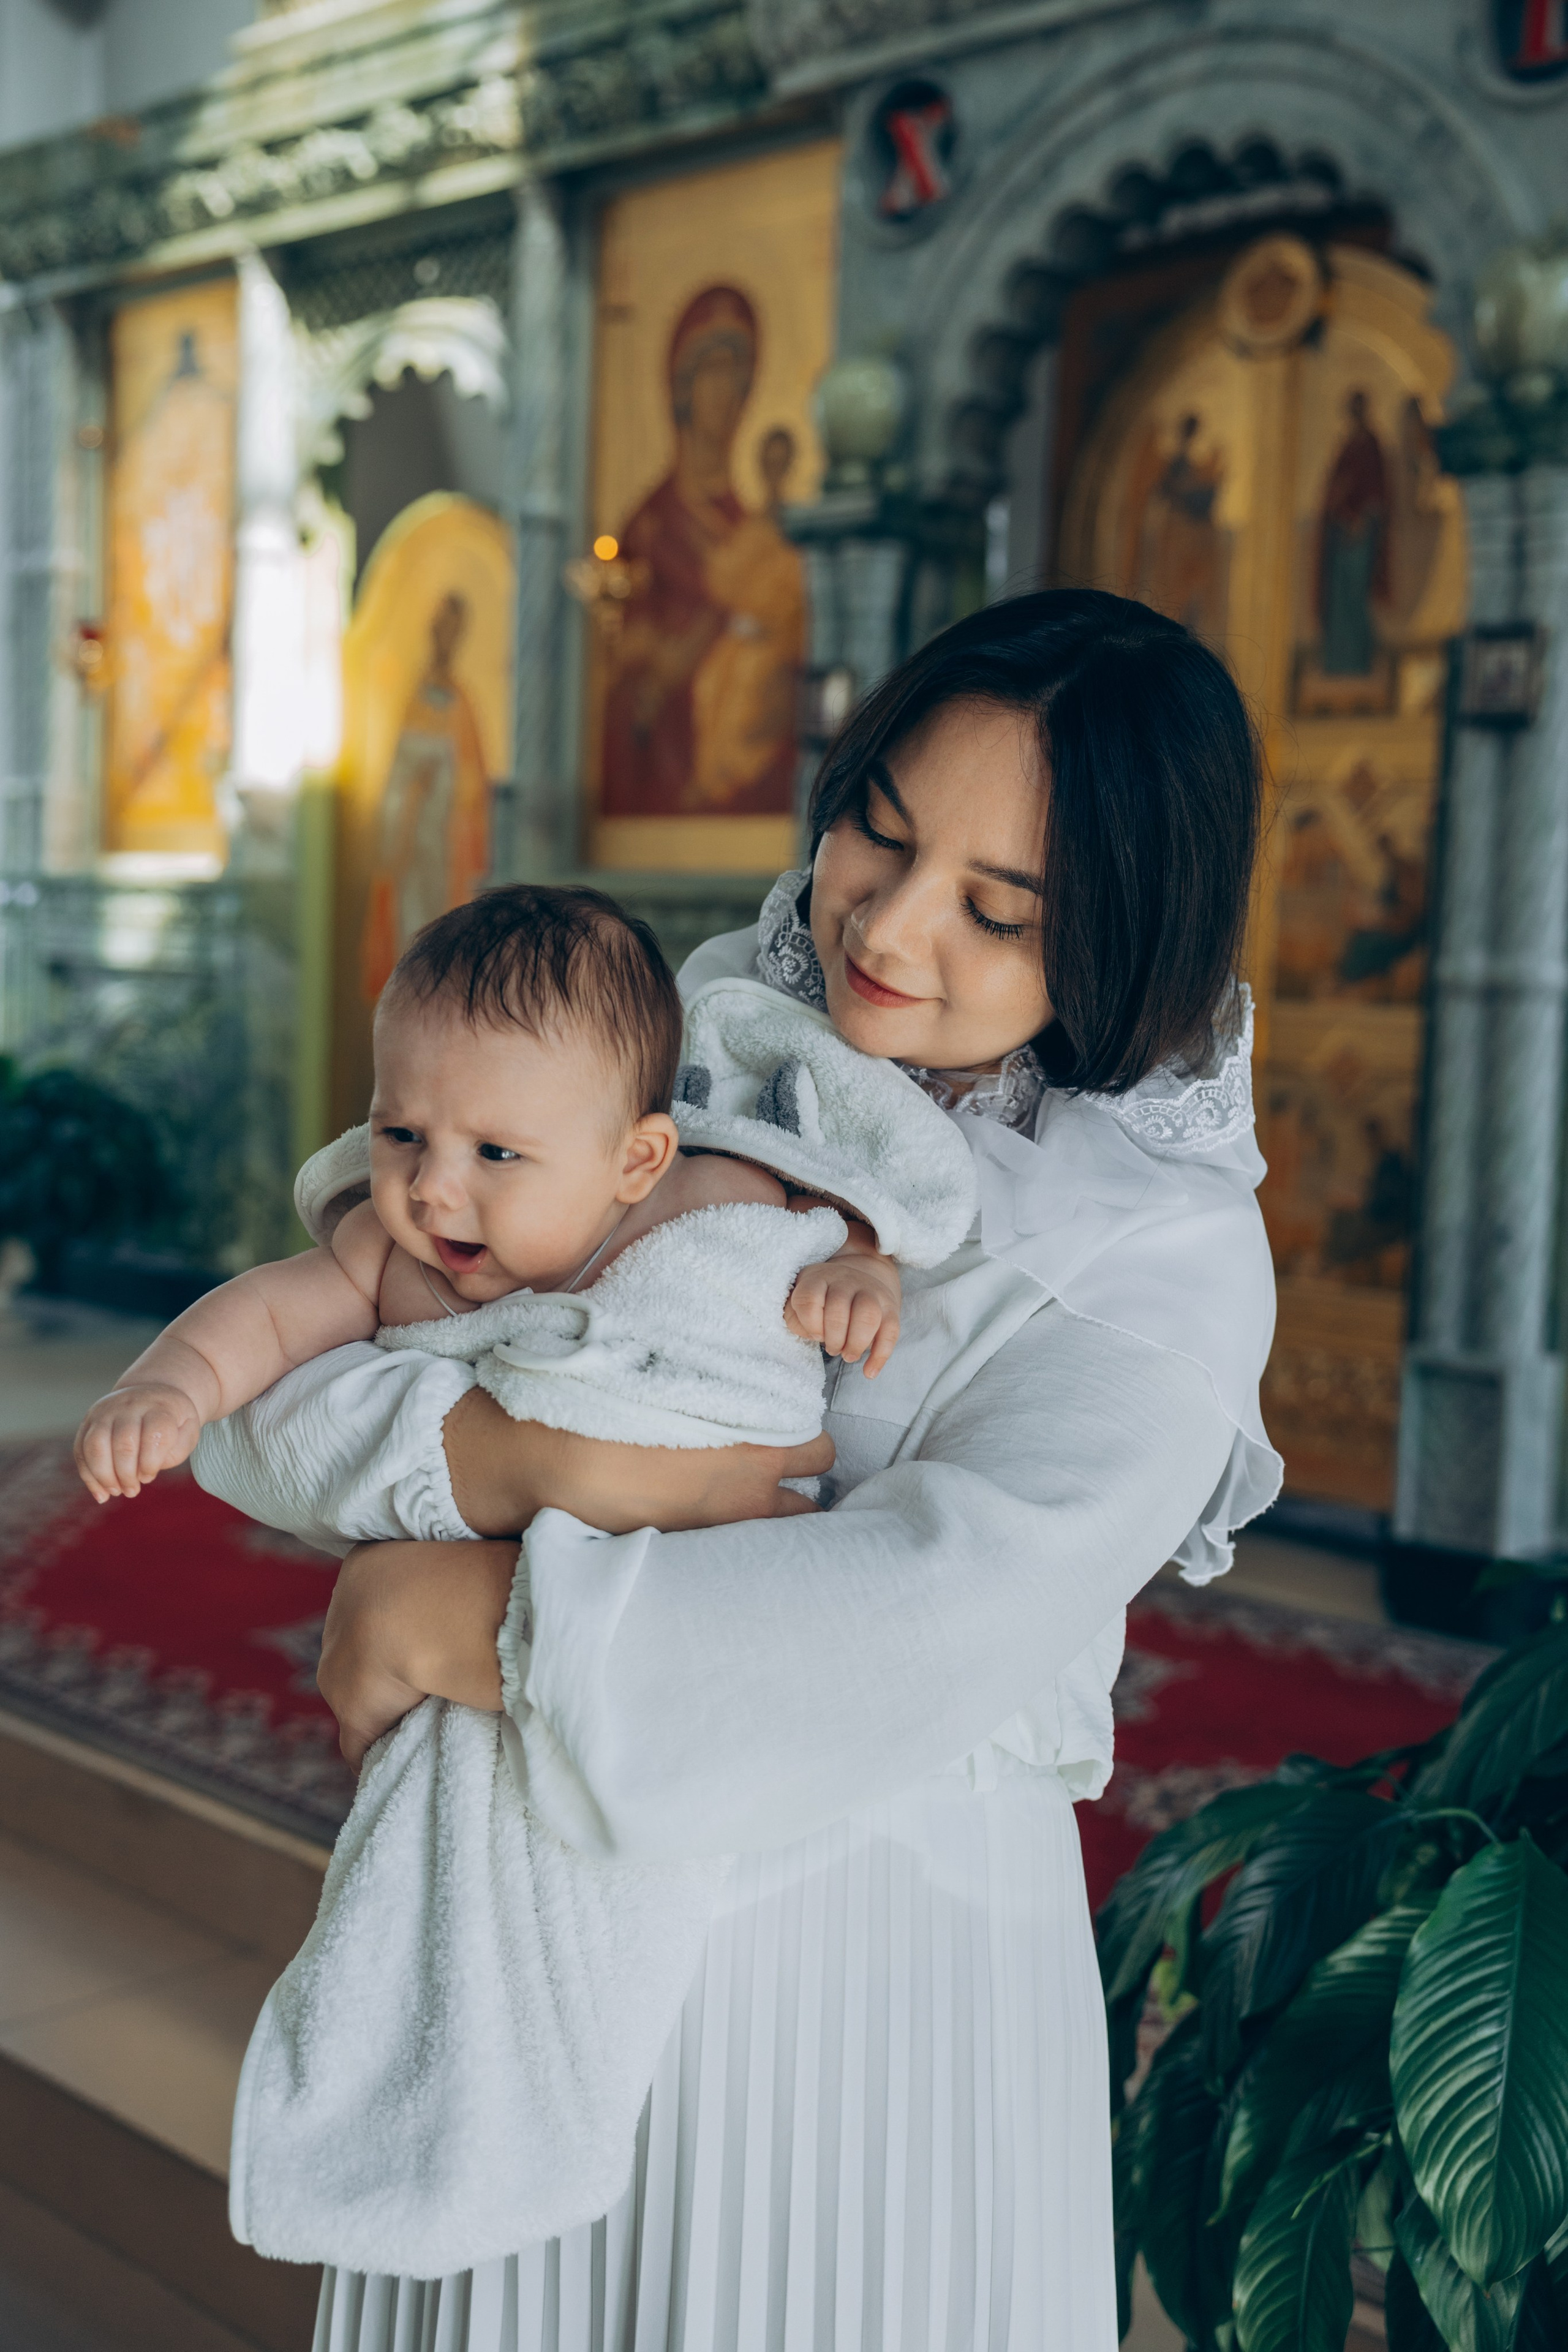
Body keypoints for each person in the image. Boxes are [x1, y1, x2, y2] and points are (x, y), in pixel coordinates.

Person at [197, 590, 1281, 2350]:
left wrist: (468, 1609)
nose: (895, 930)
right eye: (881, 830)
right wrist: (494, 1457)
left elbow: (927, 1614)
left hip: (864, 1950)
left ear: (1124, 940)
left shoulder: (1162, 1263)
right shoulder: (700, 1033)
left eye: (1000, 911)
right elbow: (400, 1300)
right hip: (533, 1886)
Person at [73, 886, 905, 1505]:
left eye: (497, 1152)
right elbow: (262, 1316)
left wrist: (861, 1273)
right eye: (401, 1135)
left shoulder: (707, 1199)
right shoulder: (388, 1258)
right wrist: (164, 1389)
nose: (431, 1191)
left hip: (713, 1535)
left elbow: (830, 1219)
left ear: (636, 1161)